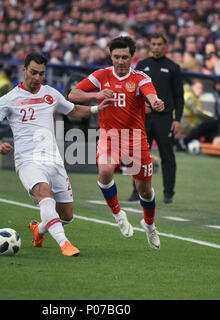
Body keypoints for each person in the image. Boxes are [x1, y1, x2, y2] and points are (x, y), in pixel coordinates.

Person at [0, 53, 114, 256]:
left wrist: (97, 108)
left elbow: (73, 110)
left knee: (67, 215)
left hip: (53, 160)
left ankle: (39, 229)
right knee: (45, 195)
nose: (37, 78)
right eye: (33, 72)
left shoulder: (51, 94)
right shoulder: (9, 99)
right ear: (24, 70)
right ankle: (65, 244)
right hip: (27, 161)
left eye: (41, 74)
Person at [68, 36, 165, 250]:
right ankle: (118, 214)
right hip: (109, 135)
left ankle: (149, 225)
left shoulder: (140, 78)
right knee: (104, 171)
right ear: (110, 56)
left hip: (135, 139)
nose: (120, 61)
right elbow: (73, 94)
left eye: (125, 57)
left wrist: (155, 102)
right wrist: (97, 94)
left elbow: (150, 94)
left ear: (132, 57)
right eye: (116, 57)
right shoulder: (101, 75)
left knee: (145, 191)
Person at [127, 32, 184, 204]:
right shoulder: (142, 65)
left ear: (165, 46)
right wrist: (137, 108)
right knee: (138, 155)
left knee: (167, 156)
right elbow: (132, 92)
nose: (156, 47)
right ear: (149, 45)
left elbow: (179, 96)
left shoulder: (173, 67)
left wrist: (177, 119)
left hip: (165, 119)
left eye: (159, 44)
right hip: (143, 117)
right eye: (154, 44)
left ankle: (168, 193)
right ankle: (136, 191)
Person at [182, 75, 220, 146]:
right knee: (206, 126)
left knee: (205, 126)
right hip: (187, 123)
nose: (217, 86)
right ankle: (195, 142)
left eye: (219, 84)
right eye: (216, 84)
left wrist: (215, 119)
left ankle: (186, 141)